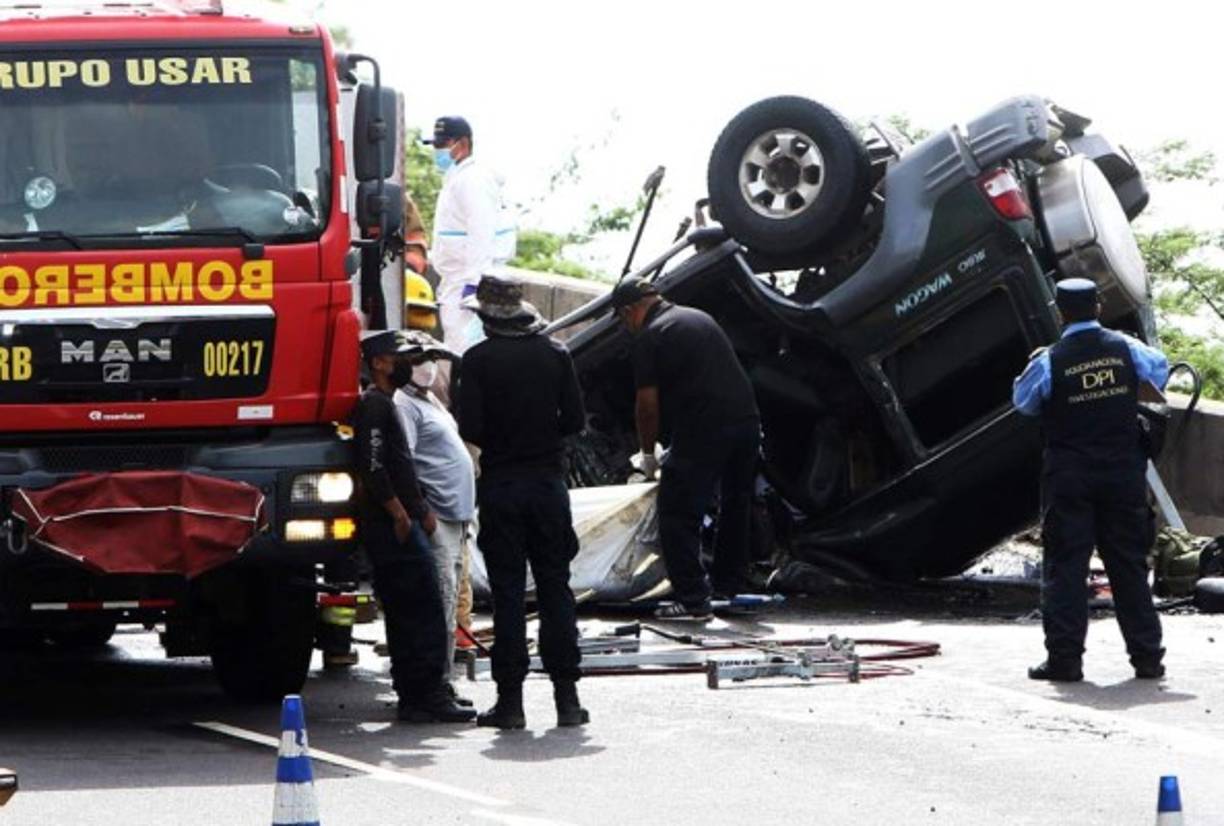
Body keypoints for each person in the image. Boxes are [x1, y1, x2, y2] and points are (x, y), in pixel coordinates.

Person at [1012, 278, 1169, 682]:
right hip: (1123, 474)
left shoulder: (1050, 360)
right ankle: (1147, 658)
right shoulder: (1126, 349)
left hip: (1070, 478)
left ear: (1059, 310)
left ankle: (1065, 661)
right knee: (1129, 566)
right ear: (1098, 306)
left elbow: (1023, 403)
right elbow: (1160, 370)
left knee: (1066, 567)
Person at [458, 273, 589, 729]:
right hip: (549, 488)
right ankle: (567, 700)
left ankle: (510, 704)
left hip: (503, 487)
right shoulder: (556, 354)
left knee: (509, 594)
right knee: (557, 589)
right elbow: (574, 419)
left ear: (488, 320)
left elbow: (469, 427)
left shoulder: (476, 361)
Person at [612, 277, 761, 622]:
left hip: (706, 427)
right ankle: (729, 585)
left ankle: (693, 599)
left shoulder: (651, 336)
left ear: (631, 310)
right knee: (737, 503)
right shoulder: (698, 317)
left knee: (677, 510)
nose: (626, 327)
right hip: (747, 423)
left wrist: (648, 455)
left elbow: (646, 405)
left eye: (622, 320)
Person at [353, 330, 476, 723]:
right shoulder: (376, 405)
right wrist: (402, 513)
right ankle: (425, 692)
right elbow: (374, 467)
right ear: (378, 363)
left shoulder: (391, 403)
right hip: (394, 525)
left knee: (417, 607)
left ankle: (421, 694)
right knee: (422, 608)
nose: (407, 363)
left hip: (410, 518)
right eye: (399, 357)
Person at [392, 330, 477, 707]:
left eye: (429, 358)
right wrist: (421, 510)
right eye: (417, 359)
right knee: (440, 605)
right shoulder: (403, 404)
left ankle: (442, 683)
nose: (426, 366)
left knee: (449, 602)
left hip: (456, 516)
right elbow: (404, 462)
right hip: (436, 516)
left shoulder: (429, 401)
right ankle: (436, 686)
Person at [425, 116, 513, 354]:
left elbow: (481, 232)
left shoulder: (473, 180)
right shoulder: (459, 177)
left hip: (467, 280)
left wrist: (474, 283)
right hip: (458, 277)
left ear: (461, 144)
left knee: (463, 349)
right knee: (459, 344)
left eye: (441, 145)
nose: (437, 151)